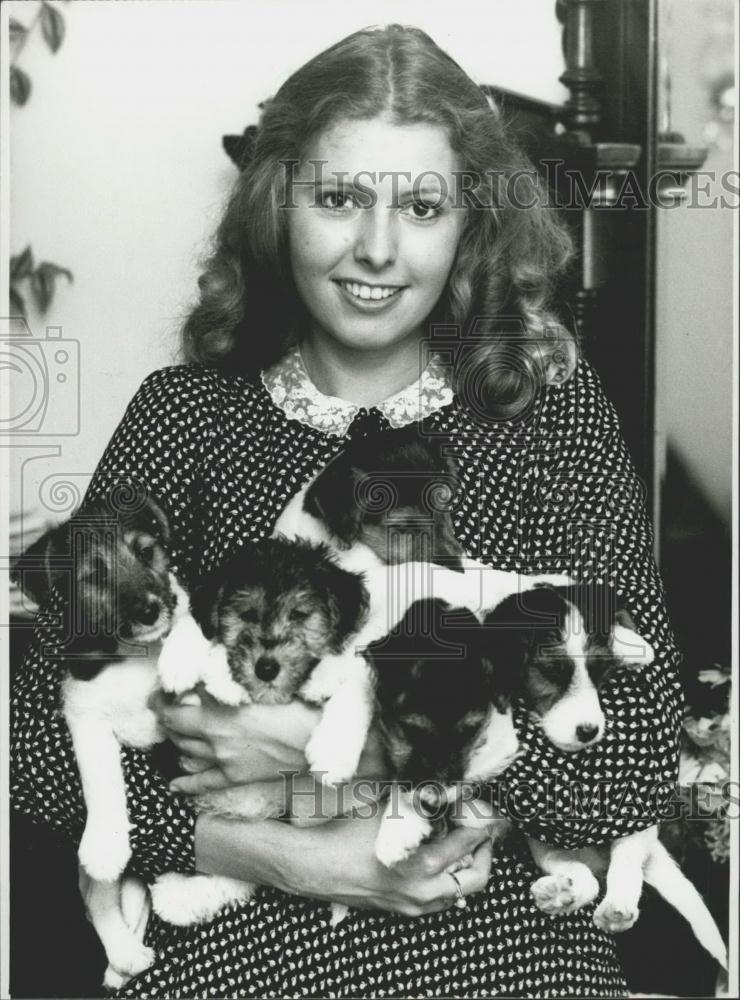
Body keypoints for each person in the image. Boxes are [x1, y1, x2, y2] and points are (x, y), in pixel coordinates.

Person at [11, 23, 683, 998]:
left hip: (503, 955)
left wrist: (319, 741)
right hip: (237, 951)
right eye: (337, 199)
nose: (375, 248)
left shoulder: (551, 419)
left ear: (471, 223)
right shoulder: (187, 415)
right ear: (280, 203)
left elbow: (637, 757)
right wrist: (277, 856)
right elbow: (37, 748)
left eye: (420, 205)